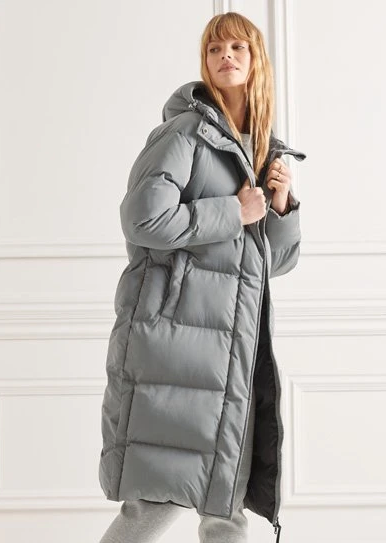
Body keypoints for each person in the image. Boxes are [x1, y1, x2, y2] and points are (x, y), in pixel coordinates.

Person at [98, 11, 306, 543]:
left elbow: (275, 265)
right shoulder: (184, 133)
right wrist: (233, 211)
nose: (225, 56)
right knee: (154, 502)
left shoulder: (262, 148)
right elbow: (143, 219)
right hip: (177, 346)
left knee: (225, 503)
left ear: (257, 61)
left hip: (235, 350)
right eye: (215, 49)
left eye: (238, 47)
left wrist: (281, 206)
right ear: (204, 63)